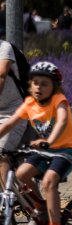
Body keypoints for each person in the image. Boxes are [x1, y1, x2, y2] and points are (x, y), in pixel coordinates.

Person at [0, 62, 72, 225]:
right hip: (44, 150)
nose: (39, 87)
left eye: (45, 83)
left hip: (67, 149)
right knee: (21, 175)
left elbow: (61, 122)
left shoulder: (58, 100)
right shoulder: (29, 103)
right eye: (35, 83)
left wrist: (50, 141)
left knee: (49, 181)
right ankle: (41, 208)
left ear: (54, 87)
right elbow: (9, 124)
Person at [0, 37, 28, 177]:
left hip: (15, 112)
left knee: (1, 154)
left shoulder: (4, 48)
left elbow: (1, 76)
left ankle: (4, 198)